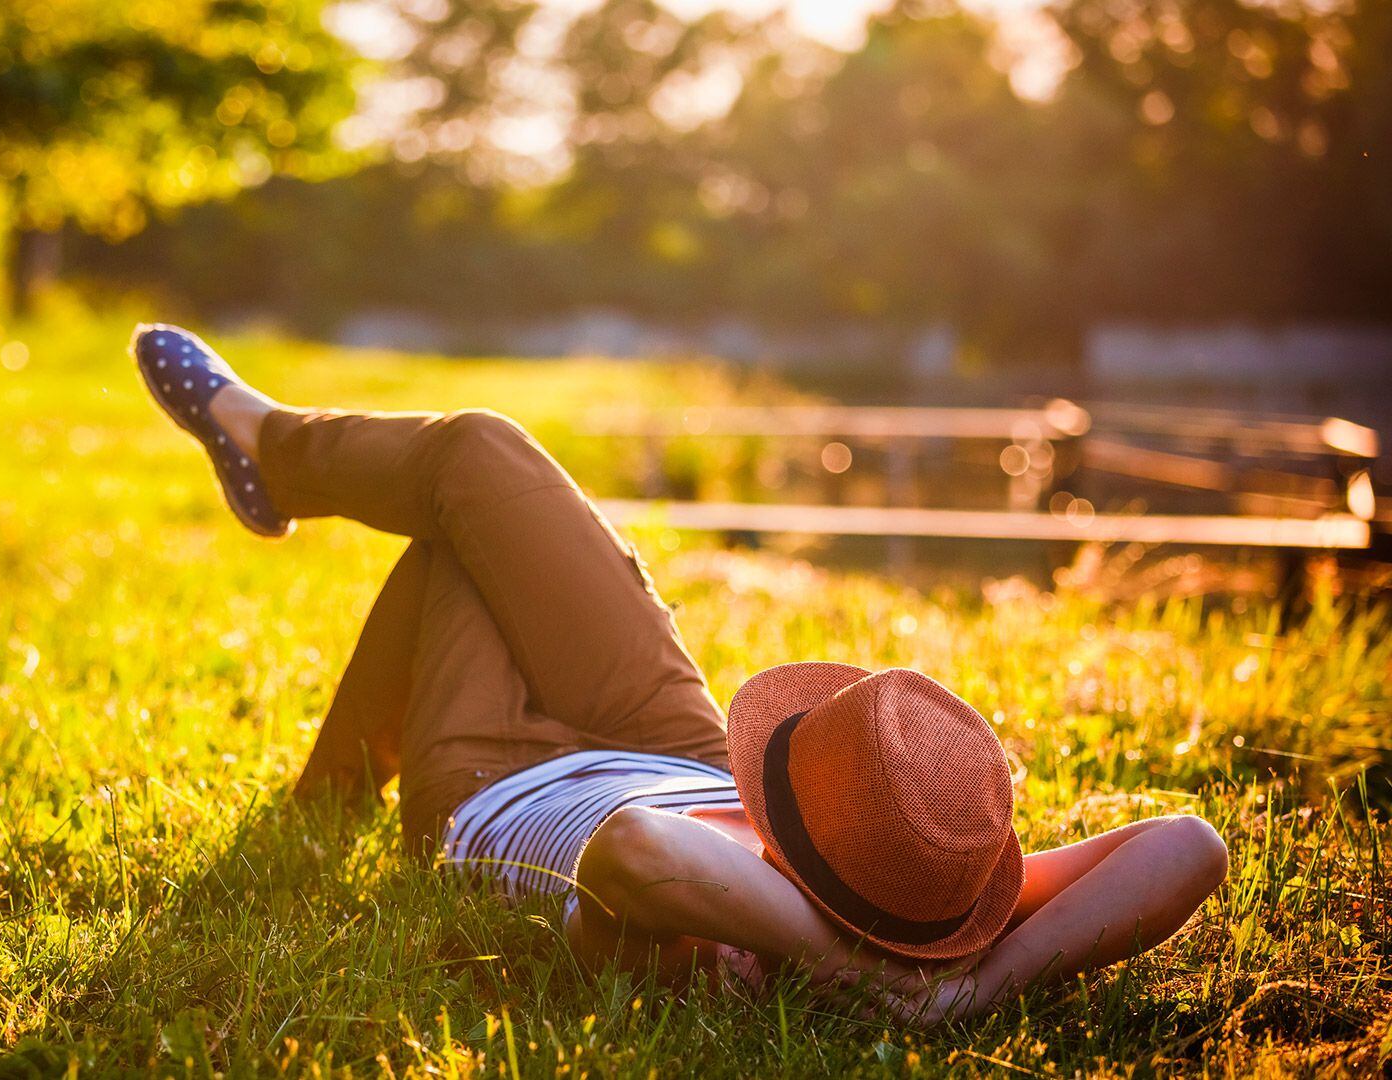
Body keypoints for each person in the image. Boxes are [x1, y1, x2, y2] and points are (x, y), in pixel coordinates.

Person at [130, 323, 1230, 1024]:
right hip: (679, 748)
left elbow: (636, 848)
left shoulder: (718, 944)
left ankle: (262, 448)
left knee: (455, 521)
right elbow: (1189, 844)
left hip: (500, 785)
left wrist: (870, 981)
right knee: (477, 455)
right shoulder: (925, 884)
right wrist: (967, 988)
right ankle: (271, 459)